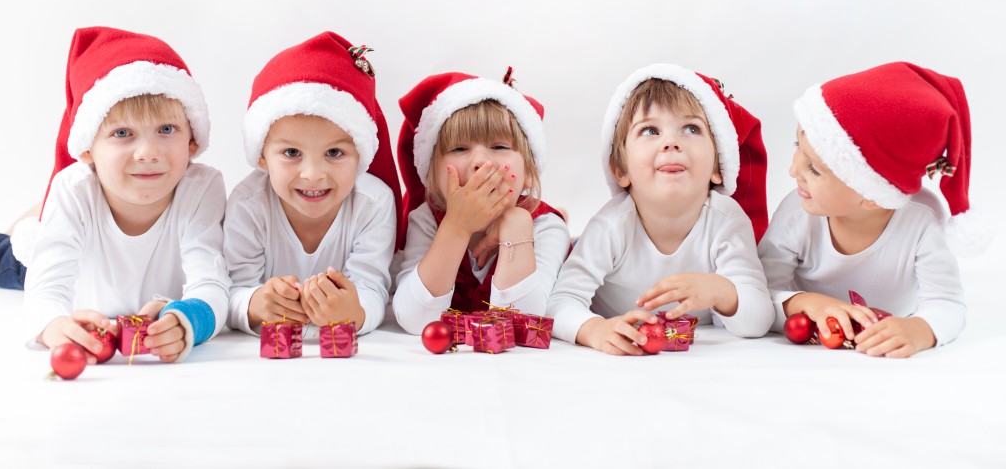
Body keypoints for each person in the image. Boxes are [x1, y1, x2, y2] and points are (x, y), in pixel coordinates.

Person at [22, 26, 230, 363]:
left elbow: (213, 282)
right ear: (88, 148)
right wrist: (53, 324)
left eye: (166, 129)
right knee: (0, 258)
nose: (148, 153)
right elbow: (44, 288)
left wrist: (187, 319)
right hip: (69, 249)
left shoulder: (202, 187)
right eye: (122, 133)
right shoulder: (74, 189)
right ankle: (29, 221)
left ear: (192, 140)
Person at [547, 64, 773, 355]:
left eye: (692, 129)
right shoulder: (611, 225)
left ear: (719, 167)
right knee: (568, 254)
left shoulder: (726, 220)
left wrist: (721, 290)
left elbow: (759, 318)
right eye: (650, 130)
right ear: (620, 170)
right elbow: (560, 301)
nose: (671, 142)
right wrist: (595, 329)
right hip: (623, 331)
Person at [757, 62, 972, 358]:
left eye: (814, 169)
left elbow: (948, 303)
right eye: (798, 146)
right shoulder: (797, 212)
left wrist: (921, 329)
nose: (793, 169)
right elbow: (757, 291)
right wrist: (803, 303)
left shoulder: (922, 221)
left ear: (873, 195)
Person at [224, 32, 400, 337]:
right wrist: (254, 304)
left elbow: (373, 287)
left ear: (360, 155)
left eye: (334, 153)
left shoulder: (374, 203)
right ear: (262, 156)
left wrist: (354, 312)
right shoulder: (247, 203)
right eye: (292, 153)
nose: (313, 174)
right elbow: (232, 288)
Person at [391, 68, 571, 334]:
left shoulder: (546, 226)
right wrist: (456, 227)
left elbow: (522, 324)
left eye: (499, 147)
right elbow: (414, 319)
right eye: (460, 149)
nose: (481, 162)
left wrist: (517, 225)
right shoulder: (427, 219)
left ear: (529, 174)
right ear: (431, 177)